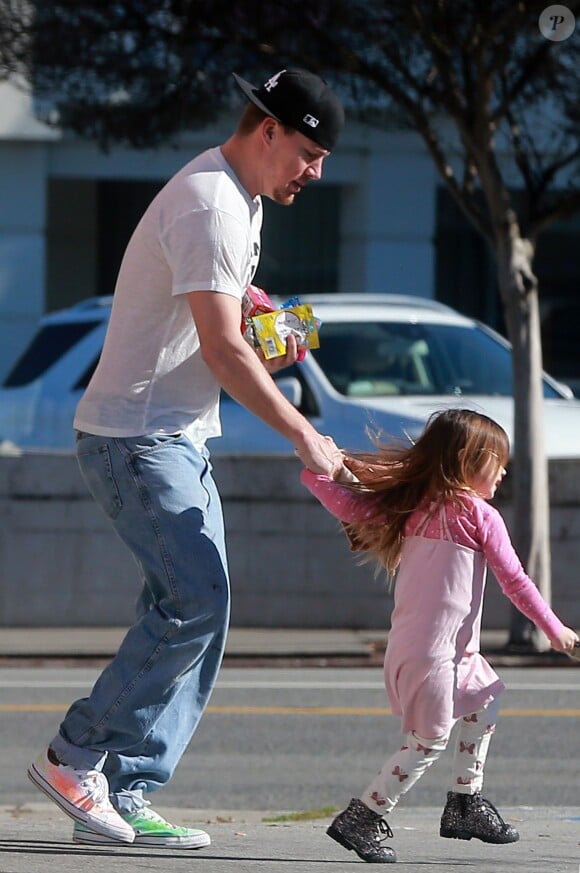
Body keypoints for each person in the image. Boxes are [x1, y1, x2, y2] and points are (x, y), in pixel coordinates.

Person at [27, 67, 346, 849]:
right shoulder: (211, 202)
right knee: (194, 600)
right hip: (137, 436)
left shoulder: (241, 201)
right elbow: (221, 348)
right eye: (307, 152)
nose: (314, 172)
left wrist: (266, 322)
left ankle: (125, 784)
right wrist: (303, 431)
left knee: (202, 604)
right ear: (267, 128)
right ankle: (75, 757)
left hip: (175, 432)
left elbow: (228, 330)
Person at [300, 408, 578, 864]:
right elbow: (516, 581)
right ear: (469, 460)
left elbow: (347, 503)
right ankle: (364, 816)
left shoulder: (413, 506)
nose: (504, 470)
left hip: (443, 652)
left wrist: (315, 472)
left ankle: (465, 803)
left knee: (485, 701)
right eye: (497, 461)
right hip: (436, 657)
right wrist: (556, 631)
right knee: (426, 742)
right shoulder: (479, 516)